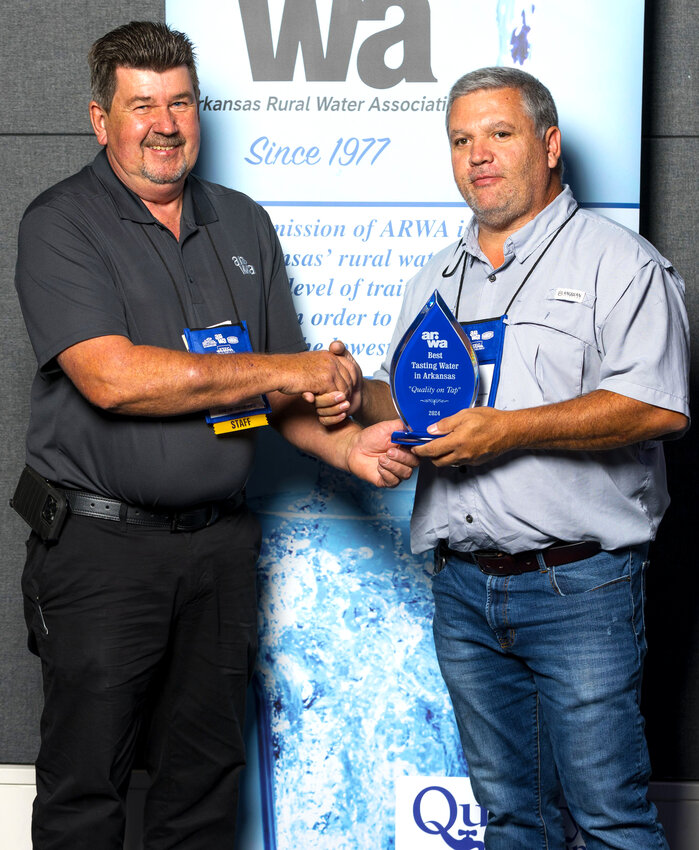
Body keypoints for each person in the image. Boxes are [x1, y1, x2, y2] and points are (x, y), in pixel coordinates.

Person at [14, 20, 416, 850]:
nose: (166, 123)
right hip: (100, 553)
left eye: (182, 102)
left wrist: (347, 447)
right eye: (142, 105)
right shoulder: (59, 223)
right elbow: (114, 378)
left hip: (219, 550)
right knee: (87, 789)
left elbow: (279, 399)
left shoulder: (241, 223)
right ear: (101, 120)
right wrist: (290, 368)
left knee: (203, 788)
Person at [315, 67, 690, 848]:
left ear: (548, 146)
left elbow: (658, 404)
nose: (477, 154)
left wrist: (506, 430)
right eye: (460, 140)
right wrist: (353, 397)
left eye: (499, 133)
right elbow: (419, 409)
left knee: (609, 821)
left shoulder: (618, 263)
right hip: (463, 591)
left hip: (579, 586)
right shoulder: (434, 278)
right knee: (510, 822)